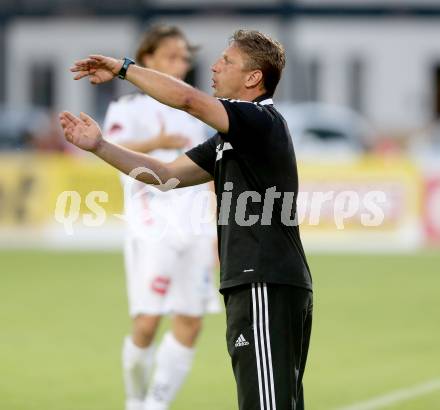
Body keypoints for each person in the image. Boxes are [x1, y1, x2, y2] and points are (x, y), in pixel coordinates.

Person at [60, 29, 313, 410]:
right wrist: (99, 146)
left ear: (253, 78)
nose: (213, 66)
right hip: (262, 283)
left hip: (263, 281)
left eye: (226, 61)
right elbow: (165, 176)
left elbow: (189, 100)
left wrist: (124, 68)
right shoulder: (233, 137)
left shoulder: (258, 120)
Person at [103, 25, 220, 410]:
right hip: (152, 226)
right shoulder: (128, 108)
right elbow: (108, 147)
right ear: (148, 58)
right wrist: (156, 143)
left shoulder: (194, 112)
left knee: (191, 320)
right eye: (171, 55)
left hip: (196, 229)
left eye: (185, 56)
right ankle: (135, 398)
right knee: (148, 322)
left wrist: (218, 231)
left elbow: (209, 176)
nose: (180, 63)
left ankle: (155, 404)